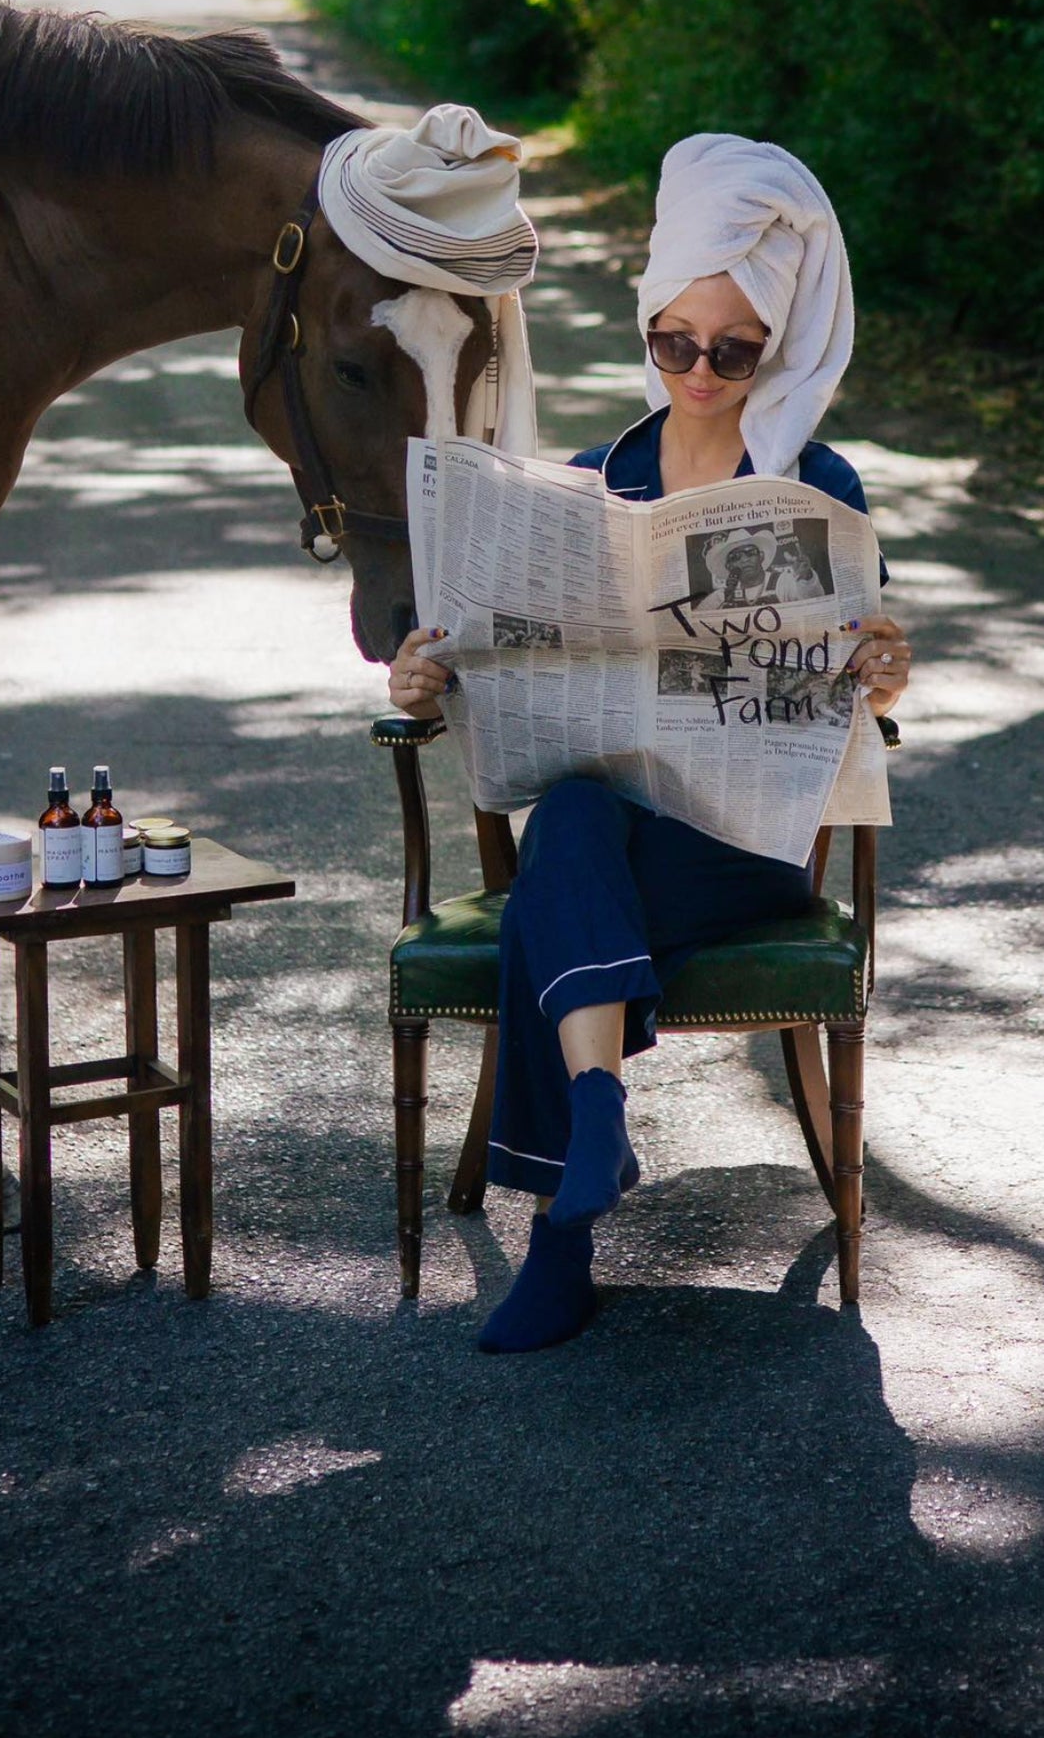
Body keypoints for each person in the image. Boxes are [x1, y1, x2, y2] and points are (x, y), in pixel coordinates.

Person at [387, 133, 912, 1353]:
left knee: (550, 901)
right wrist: (426, 683)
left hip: (746, 842)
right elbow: (496, 660)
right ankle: (599, 1116)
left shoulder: (816, 482)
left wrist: (882, 670)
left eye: (733, 351)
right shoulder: (592, 479)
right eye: (675, 342)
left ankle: (561, 1244)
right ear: (648, 325)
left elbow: (863, 692)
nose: (701, 370)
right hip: (612, 824)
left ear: (771, 347)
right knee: (571, 825)